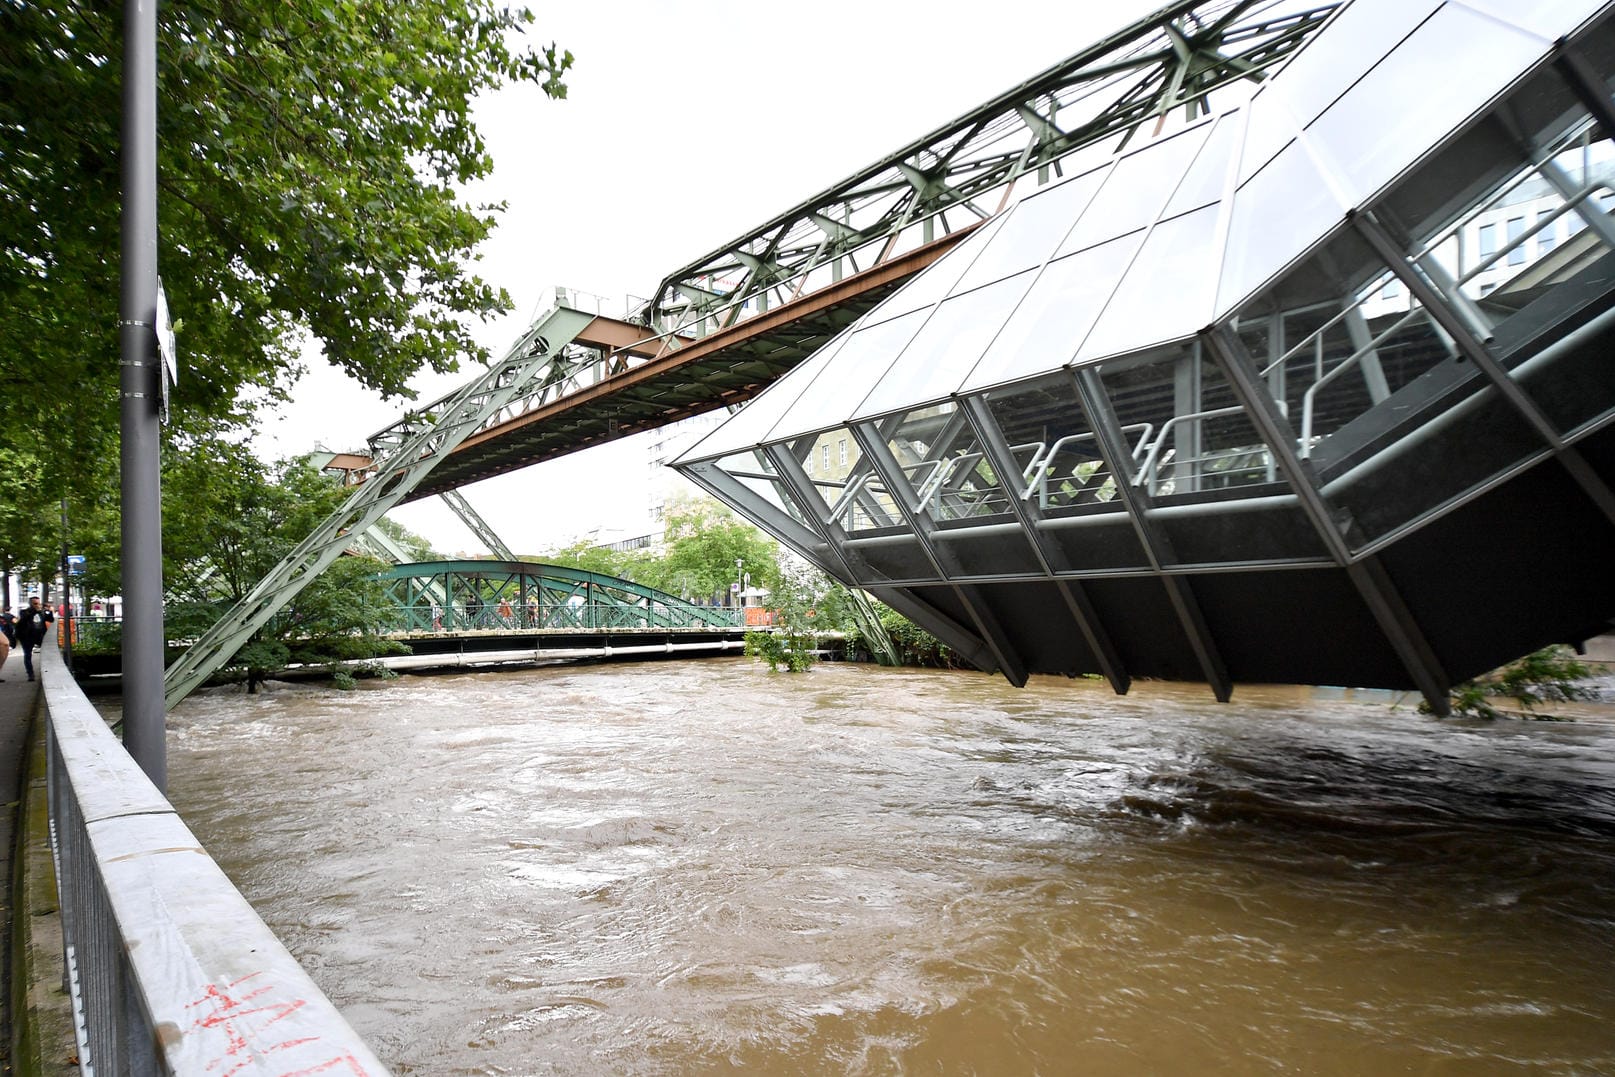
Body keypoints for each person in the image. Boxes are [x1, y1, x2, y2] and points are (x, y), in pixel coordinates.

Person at [16, 596, 54, 682]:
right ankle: (30, 674)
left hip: (39, 636)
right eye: (35, 603)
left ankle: (48, 671)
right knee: (27, 654)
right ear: (30, 604)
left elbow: (51, 620)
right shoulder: (24, 612)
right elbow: (24, 619)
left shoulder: (42, 612)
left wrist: (49, 611)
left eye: (38, 603)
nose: (37, 605)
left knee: (48, 653)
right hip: (27, 636)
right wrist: (34, 611)